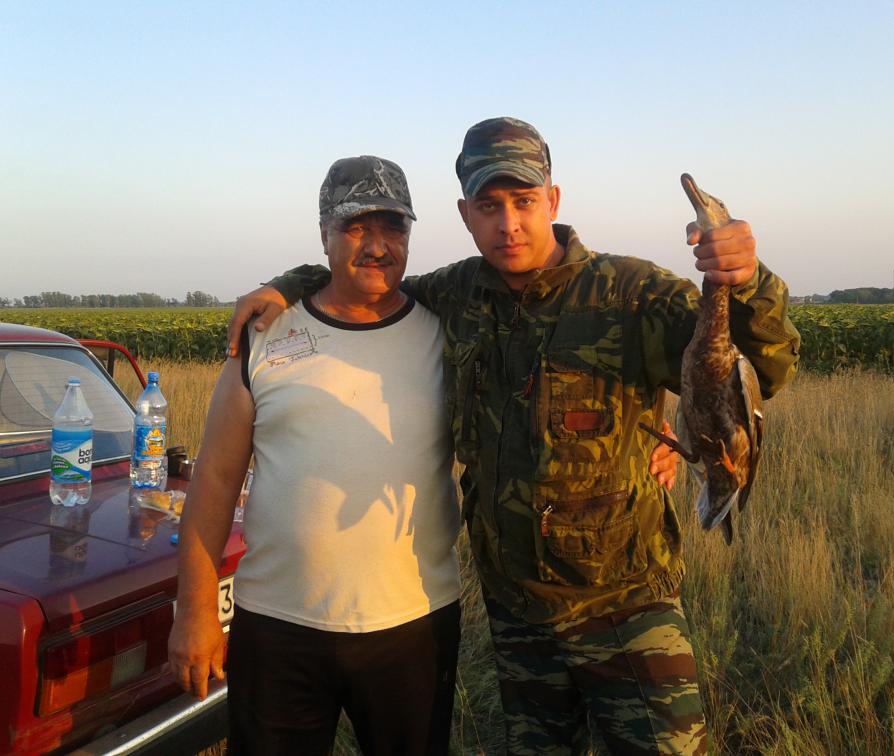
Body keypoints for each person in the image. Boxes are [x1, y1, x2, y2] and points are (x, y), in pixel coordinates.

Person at [226, 118, 800, 755]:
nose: (509, 225)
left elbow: (764, 365)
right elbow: (369, 278)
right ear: (465, 214)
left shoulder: (632, 293)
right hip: (519, 618)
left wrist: (747, 279)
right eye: (489, 206)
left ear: (553, 200)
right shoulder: (457, 294)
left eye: (524, 201)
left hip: (626, 608)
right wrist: (291, 283)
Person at [168, 156, 465, 756]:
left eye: (393, 226)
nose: (377, 245)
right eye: (356, 226)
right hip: (277, 627)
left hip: (414, 624)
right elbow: (216, 478)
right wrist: (194, 609)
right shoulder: (264, 335)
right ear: (324, 233)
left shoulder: (448, 333)